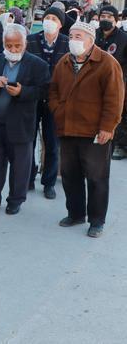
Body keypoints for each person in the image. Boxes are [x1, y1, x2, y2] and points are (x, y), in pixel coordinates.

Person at [49, 21, 125, 237]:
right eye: (71, 36)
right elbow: (53, 90)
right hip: (67, 128)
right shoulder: (64, 62)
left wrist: (108, 127)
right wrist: (57, 110)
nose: (73, 41)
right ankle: (75, 214)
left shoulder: (107, 63)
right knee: (70, 174)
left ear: (91, 40)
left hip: (94, 131)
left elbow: (115, 99)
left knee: (96, 177)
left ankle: (97, 220)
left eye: (78, 37)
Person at [0, 24, 50, 215]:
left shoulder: (37, 64)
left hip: (21, 123)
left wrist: (23, 91)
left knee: (20, 164)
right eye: (9, 46)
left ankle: (15, 199)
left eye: (17, 46)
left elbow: (45, 91)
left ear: (25, 44)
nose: (13, 50)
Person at [26, 6, 69, 198]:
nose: (49, 21)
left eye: (54, 18)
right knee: (29, 140)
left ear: (60, 24)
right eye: (47, 17)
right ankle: (27, 177)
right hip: (32, 97)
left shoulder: (67, 43)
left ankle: (49, 182)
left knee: (52, 143)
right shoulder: (31, 40)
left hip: (55, 100)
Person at [94, 5, 127, 160]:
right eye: (103, 16)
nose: (105, 19)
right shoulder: (94, 35)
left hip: (118, 83)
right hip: (95, 83)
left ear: (116, 19)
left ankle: (119, 145)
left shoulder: (123, 38)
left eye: (109, 17)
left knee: (117, 114)